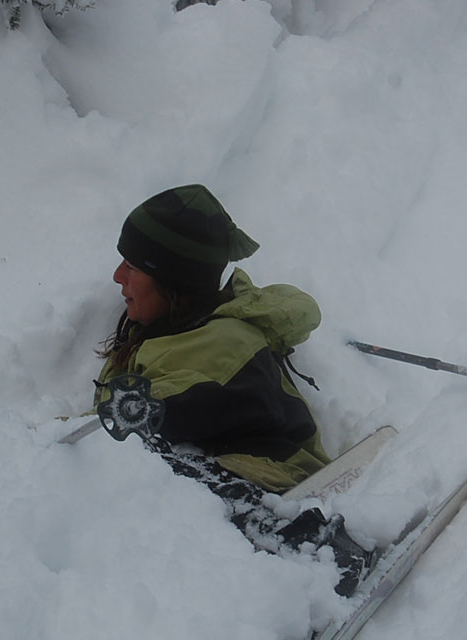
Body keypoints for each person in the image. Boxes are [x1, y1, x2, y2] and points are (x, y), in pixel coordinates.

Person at [94, 184, 373, 595]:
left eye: (133, 267)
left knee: (151, 462)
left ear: (174, 280)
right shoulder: (168, 330)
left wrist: (45, 449)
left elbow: (140, 421)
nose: (117, 276)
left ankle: (322, 558)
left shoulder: (222, 344)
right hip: (234, 476)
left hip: (276, 483)